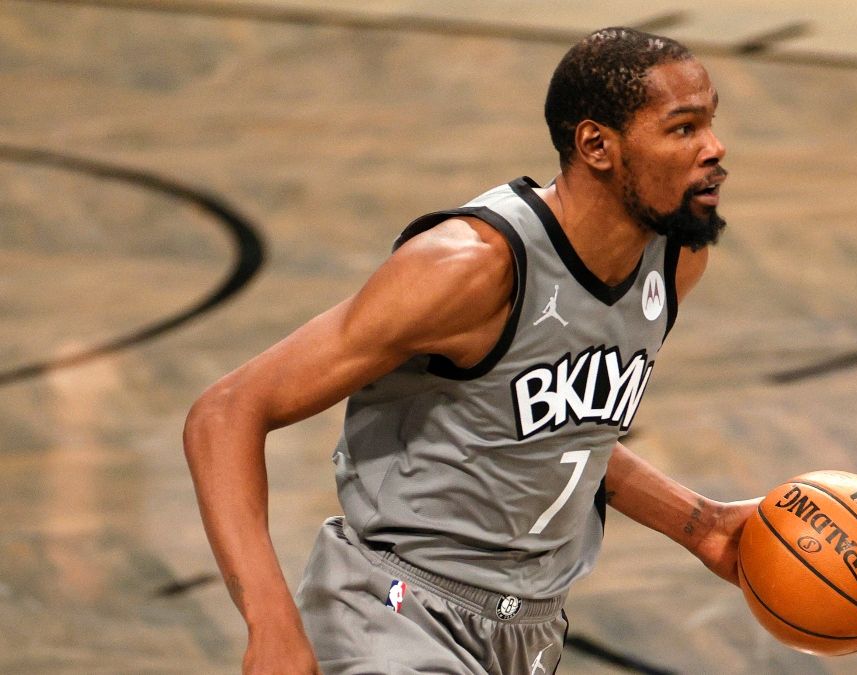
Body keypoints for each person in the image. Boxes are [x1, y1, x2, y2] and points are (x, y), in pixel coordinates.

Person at [183, 26, 757, 674]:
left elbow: (555, 431)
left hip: (529, 634)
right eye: (684, 128)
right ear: (596, 145)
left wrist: (700, 524)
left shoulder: (673, 261)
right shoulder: (471, 267)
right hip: (395, 612)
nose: (715, 147)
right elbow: (226, 411)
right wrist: (271, 621)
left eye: (711, 123)